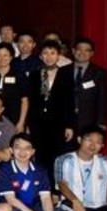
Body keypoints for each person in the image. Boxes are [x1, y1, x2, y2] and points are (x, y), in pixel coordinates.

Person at [0, 133, 85, 211]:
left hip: (34, 208)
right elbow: (11, 200)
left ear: (33, 151)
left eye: (27, 148)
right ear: (11, 150)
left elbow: (45, 197)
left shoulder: (40, 170)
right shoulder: (4, 170)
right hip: (13, 209)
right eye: (18, 147)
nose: (22, 152)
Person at [27, 41, 75, 177]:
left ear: (58, 56)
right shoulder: (34, 75)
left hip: (58, 123)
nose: (49, 56)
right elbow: (30, 102)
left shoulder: (66, 75)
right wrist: (28, 124)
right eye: (45, 53)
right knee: (39, 155)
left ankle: (56, 189)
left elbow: (69, 101)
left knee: (57, 156)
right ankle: (42, 187)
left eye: (52, 53)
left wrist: (69, 125)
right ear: (41, 56)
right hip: (38, 123)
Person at [71, 38, 107, 132]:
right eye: (79, 49)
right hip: (65, 122)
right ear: (73, 51)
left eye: (87, 50)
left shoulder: (100, 73)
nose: (82, 53)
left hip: (89, 121)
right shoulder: (63, 71)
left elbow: (103, 100)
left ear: (92, 53)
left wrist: (101, 123)